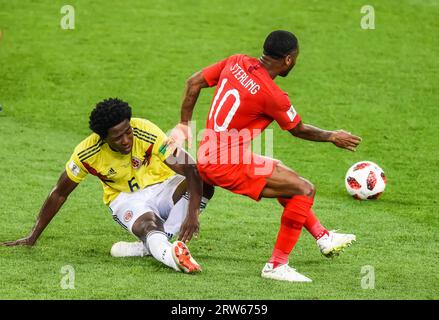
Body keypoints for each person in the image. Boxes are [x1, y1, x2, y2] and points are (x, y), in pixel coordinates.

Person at [171, 30, 362, 282]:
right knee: (304, 190)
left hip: (209, 153)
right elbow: (298, 129)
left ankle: (323, 237)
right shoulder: (273, 95)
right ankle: (276, 265)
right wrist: (332, 136)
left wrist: (184, 124)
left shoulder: (236, 61)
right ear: (288, 60)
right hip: (227, 164)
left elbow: (193, 82)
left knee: (284, 175)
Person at [1, 98, 214, 274]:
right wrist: (32, 235)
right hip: (125, 199)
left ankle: (152, 245)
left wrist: (192, 214)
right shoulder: (87, 153)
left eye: (127, 131)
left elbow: (191, 169)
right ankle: (174, 258)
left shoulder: (146, 131)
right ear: (103, 138)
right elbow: (59, 194)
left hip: (162, 187)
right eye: (117, 137)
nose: (126, 140)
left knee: (206, 182)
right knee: (149, 225)